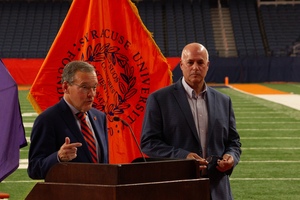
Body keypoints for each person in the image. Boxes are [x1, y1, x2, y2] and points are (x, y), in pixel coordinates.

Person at [140, 43, 242, 200]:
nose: (195, 67)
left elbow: (233, 141)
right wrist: (183, 156)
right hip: (177, 188)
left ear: (207, 66)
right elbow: (148, 143)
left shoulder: (224, 101)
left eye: (200, 62)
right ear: (181, 65)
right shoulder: (160, 99)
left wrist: (231, 157)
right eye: (190, 62)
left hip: (218, 190)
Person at [28, 60, 109, 179]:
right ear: (66, 87)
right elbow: (34, 169)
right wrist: (58, 157)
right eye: (85, 87)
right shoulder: (47, 120)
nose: (91, 94)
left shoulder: (100, 118)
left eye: (94, 87)